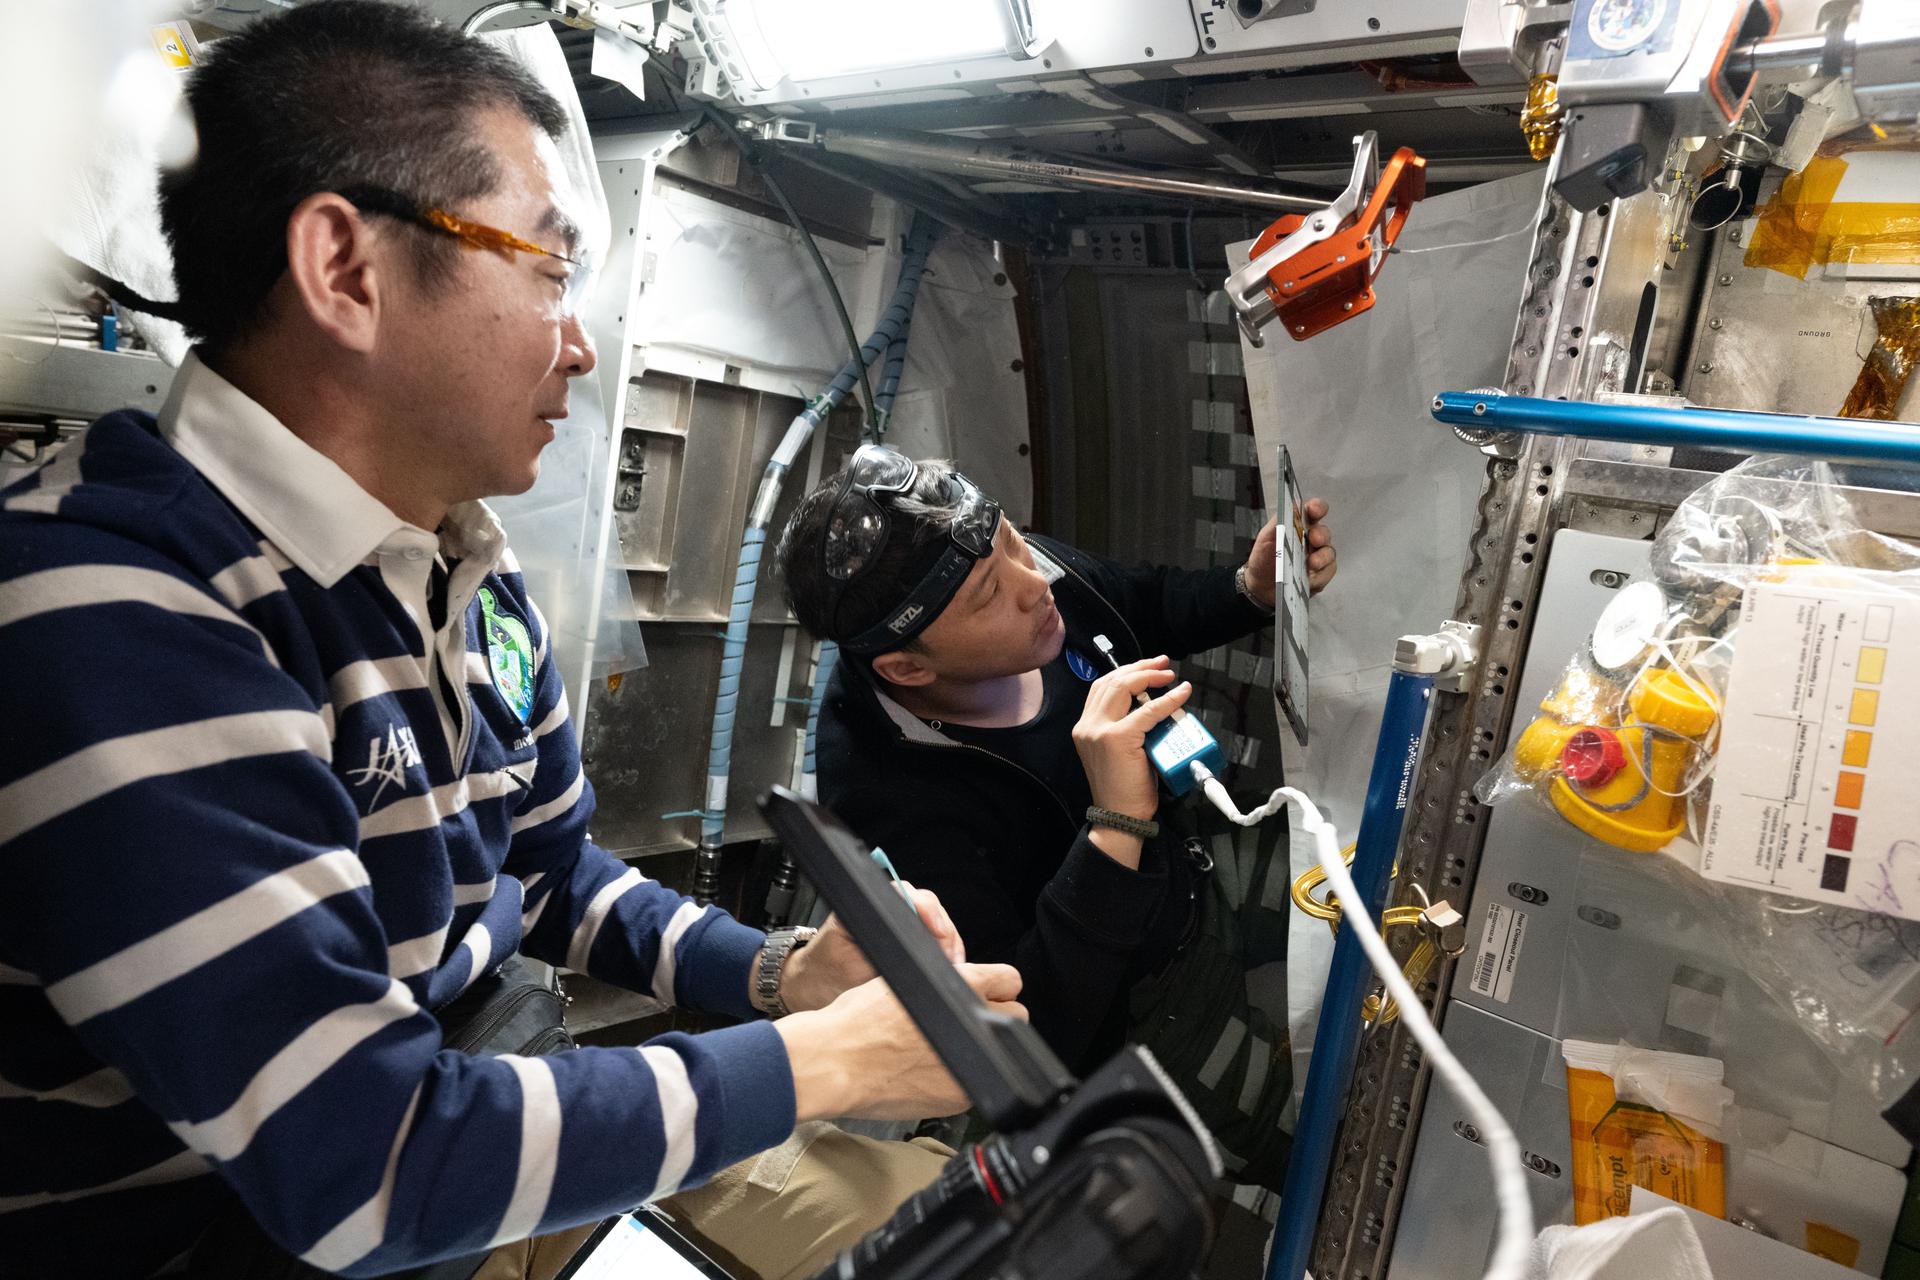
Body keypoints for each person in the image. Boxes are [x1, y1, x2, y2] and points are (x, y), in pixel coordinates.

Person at [0, 6, 1022, 1277]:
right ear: (346, 270)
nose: (582, 346)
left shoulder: (458, 564)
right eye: (546, 271)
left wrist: (777, 976)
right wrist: (822, 1062)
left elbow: (541, 870)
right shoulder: (113, 610)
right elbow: (363, 1161)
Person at [776, 446, 1335, 1184]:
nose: (1035, 582)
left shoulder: (1015, 568)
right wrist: (1114, 828)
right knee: (1330, 1144)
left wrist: (1246, 591)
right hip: (1142, 1012)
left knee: (1387, 897)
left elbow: (1137, 600)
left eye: (1013, 540)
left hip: (1197, 862)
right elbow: (1032, 1022)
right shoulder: (884, 794)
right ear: (909, 669)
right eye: (986, 596)